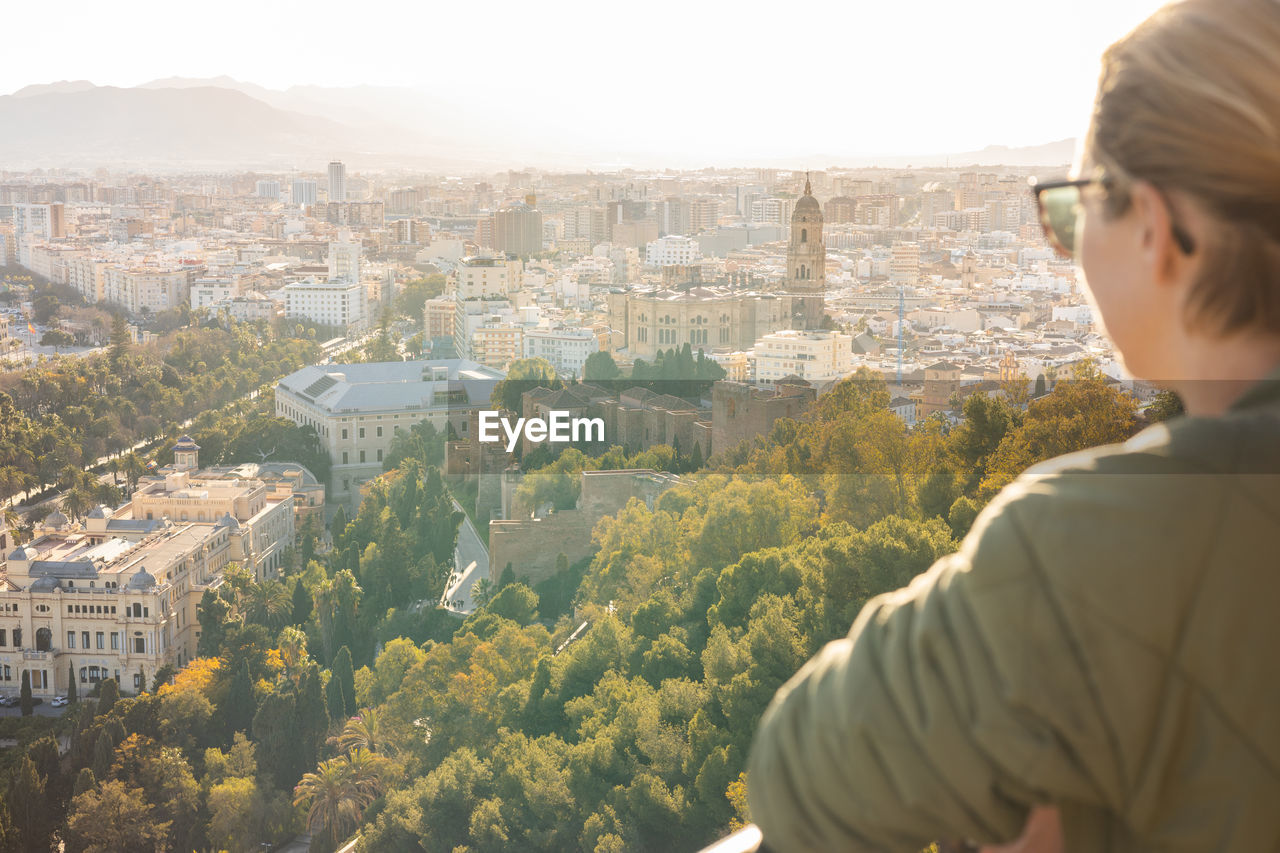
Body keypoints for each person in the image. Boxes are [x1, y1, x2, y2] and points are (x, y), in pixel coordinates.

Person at [745, 0, 1280, 850]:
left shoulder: (1096, 548)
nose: (1064, 250)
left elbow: (799, 770)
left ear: (1152, 225)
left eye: (1068, 213)